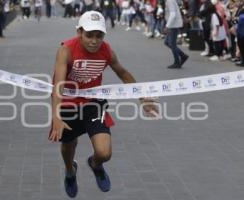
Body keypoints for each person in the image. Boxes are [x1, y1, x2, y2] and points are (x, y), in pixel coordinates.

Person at [49, 11, 159, 198]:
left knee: (104, 152)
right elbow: (58, 85)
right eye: (89, 35)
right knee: (68, 146)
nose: (94, 40)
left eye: (98, 36)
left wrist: (143, 98)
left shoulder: (106, 51)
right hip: (67, 103)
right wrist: (56, 117)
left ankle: (95, 164)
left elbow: (123, 73)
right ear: (79, 32)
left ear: (104, 36)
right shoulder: (66, 50)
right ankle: (70, 171)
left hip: (93, 103)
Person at [164, 0, 189, 68]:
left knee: (172, 44)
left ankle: (177, 62)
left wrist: (167, 26)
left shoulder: (170, 1)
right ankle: (183, 56)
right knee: (167, 42)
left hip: (173, 25)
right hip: (173, 24)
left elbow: (173, 14)